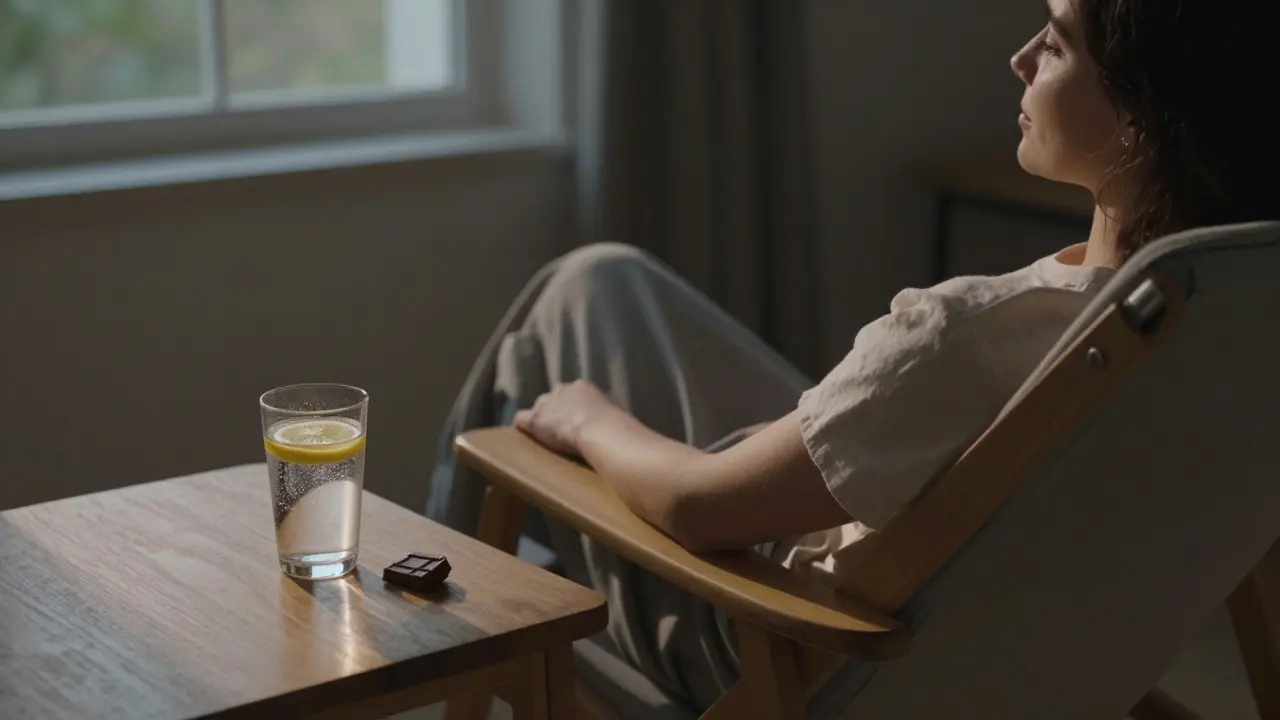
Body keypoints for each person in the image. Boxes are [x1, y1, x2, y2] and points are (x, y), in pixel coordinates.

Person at [429, 0, 1280, 711]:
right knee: (602, 279)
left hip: (769, 636)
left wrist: (588, 420)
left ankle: (424, 635)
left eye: (1055, 43)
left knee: (534, 385)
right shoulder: (1230, 320)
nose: (1020, 58)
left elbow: (695, 508)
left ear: (1142, 117)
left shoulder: (967, 333)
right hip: (971, 634)